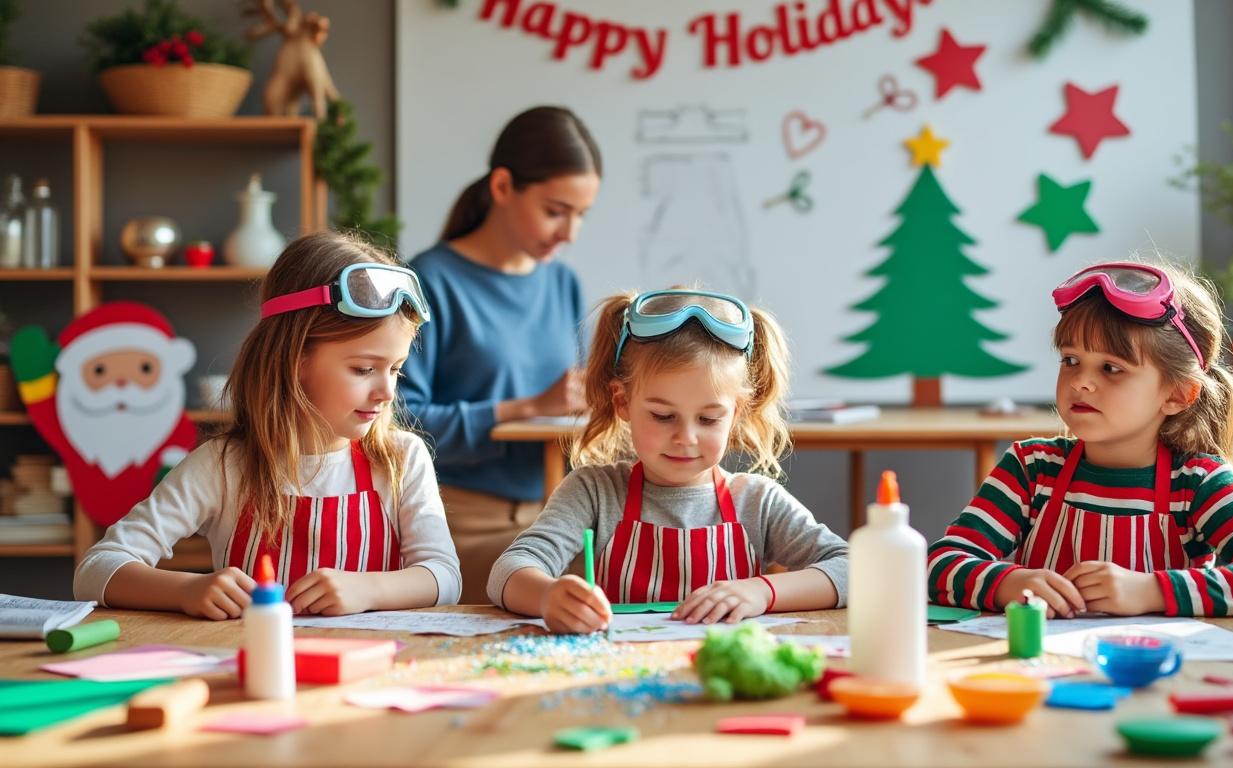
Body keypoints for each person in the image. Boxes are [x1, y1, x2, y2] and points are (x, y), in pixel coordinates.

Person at [74, 232, 462, 618]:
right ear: (294, 360)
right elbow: (96, 570)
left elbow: (445, 578)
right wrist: (187, 589)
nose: (387, 392)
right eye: (363, 369)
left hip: (372, 658)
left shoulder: (400, 459)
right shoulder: (224, 466)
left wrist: (370, 588)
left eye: (395, 369)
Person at [928, 260, 1233, 617]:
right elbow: (938, 564)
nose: (1081, 381)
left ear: (1178, 394)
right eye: (1071, 360)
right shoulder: (1031, 469)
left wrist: (1150, 591)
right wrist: (1005, 583)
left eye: (1111, 368)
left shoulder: (1197, 482)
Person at [488, 289, 849, 632]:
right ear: (622, 401)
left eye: (708, 418)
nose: (686, 437)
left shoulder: (758, 502)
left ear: (736, 412)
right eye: (663, 416)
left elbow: (854, 570)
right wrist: (549, 596)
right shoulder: (594, 491)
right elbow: (507, 571)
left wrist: (762, 591)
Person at [400, 106, 601, 603]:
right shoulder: (431, 280)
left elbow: (574, 408)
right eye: (556, 211)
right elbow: (400, 423)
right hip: (459, 524)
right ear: (503, 186)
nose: (570, 234)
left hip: (558, 517)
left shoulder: (563, 283)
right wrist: (528, 407)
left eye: (581, 215)